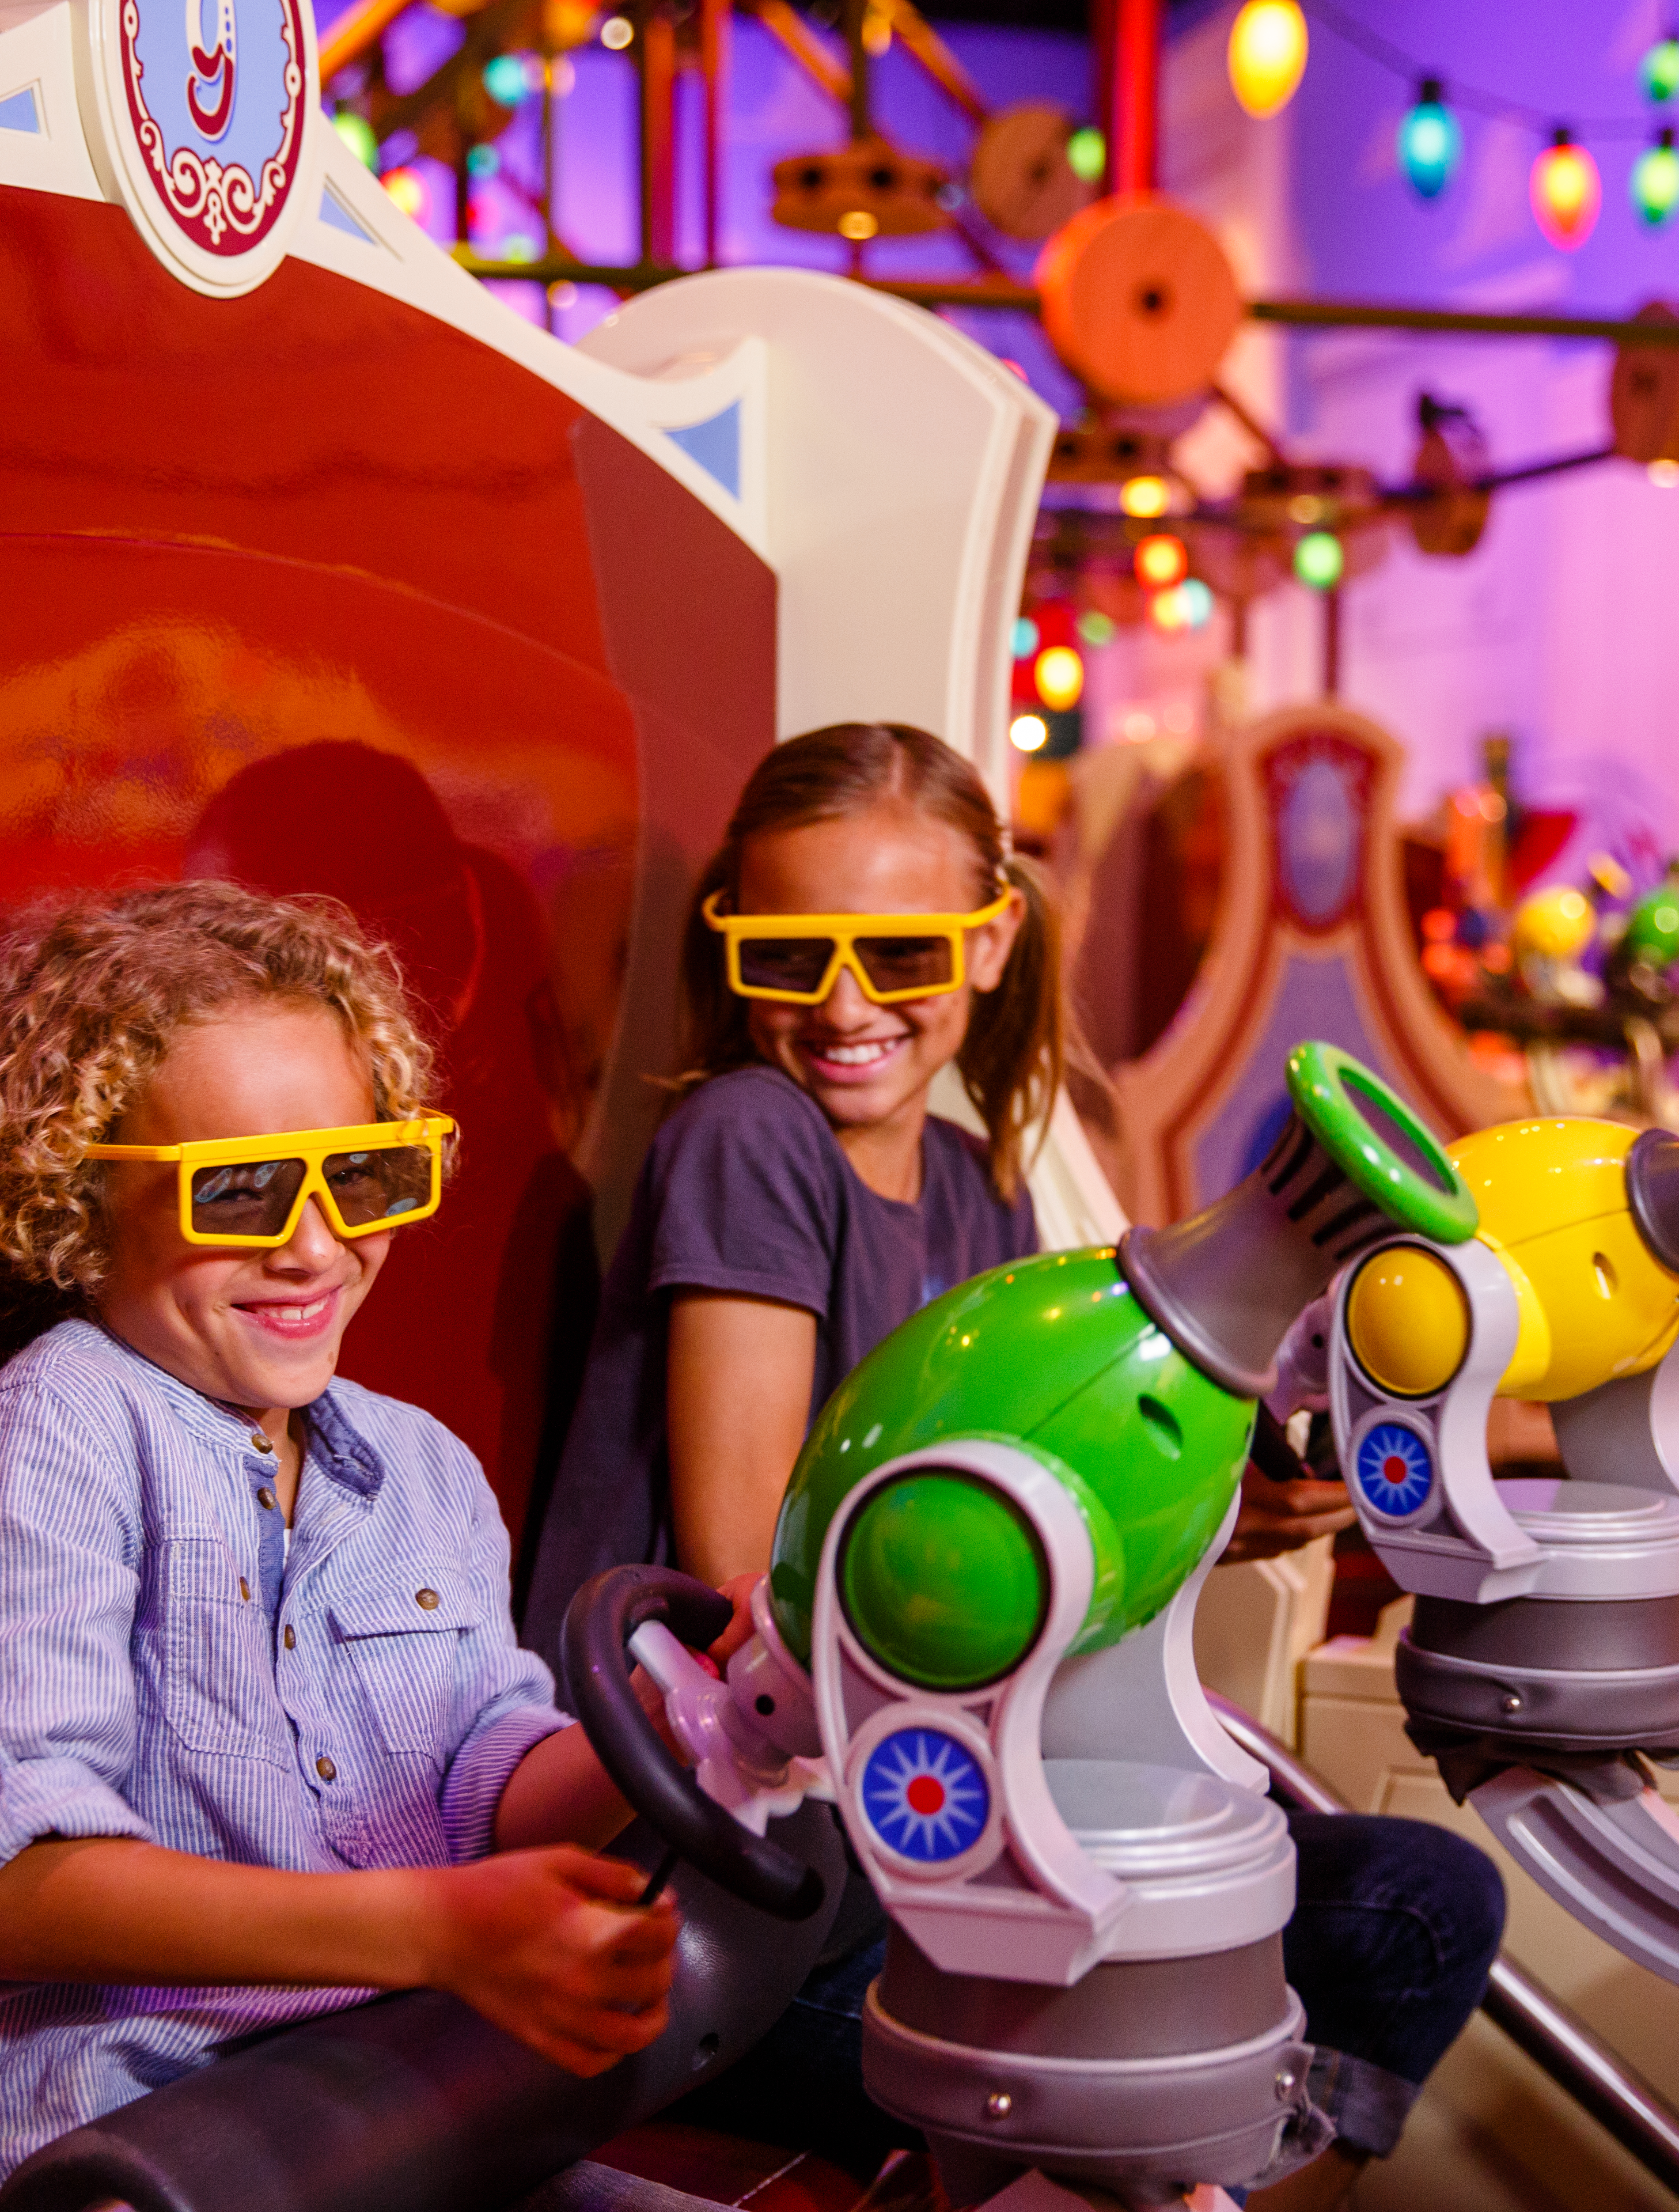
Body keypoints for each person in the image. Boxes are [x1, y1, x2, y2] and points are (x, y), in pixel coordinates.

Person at [518, 725, 1504, 2211]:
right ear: (733, 950)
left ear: (987, 946)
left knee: (1416, 1908)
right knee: (1158, 2054)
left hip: (909, 1832)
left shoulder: (981, 1189)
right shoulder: (748, 1136)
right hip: (744, 1876)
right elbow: (765, 1586)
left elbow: (1020, 1546)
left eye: (901, 956)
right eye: (791, 959)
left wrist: (1220, 1518)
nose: (845, 1006)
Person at [0, 881, 676, 2211]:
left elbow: (482, 1777)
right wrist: (428, 1929)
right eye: (236, 1190)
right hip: (138, 2142)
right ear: (77, 1200)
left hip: (391, 2102)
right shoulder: (63, 1425)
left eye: (361, 1173)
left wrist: (694, 1724)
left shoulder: (419, 1463)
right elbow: (3, 1883)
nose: (314, 1246)